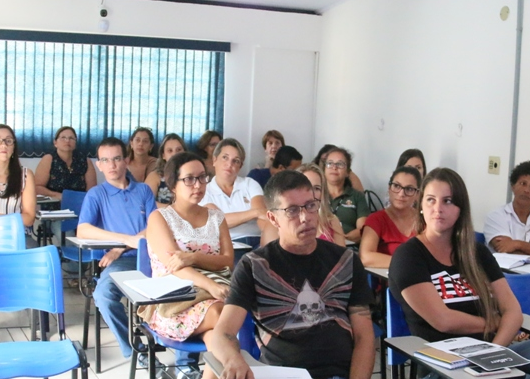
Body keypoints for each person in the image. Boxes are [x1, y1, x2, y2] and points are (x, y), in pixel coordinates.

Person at [210, 170, 375, 379]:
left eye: (310, 206)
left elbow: (364, 337)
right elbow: (222, 333)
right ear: (273, 218)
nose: (305, 217)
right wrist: (233, 359)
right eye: (292, 210)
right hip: (281, 374)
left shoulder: (346, 261)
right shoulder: (254, 266)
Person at [389, 168, 530, 375]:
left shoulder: (477, 252)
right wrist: (492, 323)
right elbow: (443, 321)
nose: (438, 208)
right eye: (430, 200)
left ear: (460, 208)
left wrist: (494, 354)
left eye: (447, 201)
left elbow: (513, 312)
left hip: (492, 352)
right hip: (445, 365)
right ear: (420, 206)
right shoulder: (409, 256)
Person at [146, 152, 233, 379]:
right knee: (224, 315)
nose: (198, 185)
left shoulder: (216, 217)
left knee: (219, 333)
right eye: (189, 179)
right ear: (173, 184)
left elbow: (227, 260)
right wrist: (211, 286)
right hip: (175, 301)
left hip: (217, 292)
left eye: (202, 177)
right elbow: (174, 266)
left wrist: (193, 257)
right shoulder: (159, 218)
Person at [77, 137, 159, 368]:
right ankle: (135, 350)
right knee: (103, 295)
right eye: (105, 160)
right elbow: (83, 229)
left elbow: (155, 226)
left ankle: (185, 360)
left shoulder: (143, 190)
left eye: (116, 158)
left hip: (151, 258)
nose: (111, 165)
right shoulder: (97, 194)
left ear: (125, 161)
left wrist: (119, 247)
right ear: (99, 165)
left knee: (185, 289)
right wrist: (124, 243)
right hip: (122, 262)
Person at [200, 138, 267, 248]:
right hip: (229, 244)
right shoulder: (204, 191)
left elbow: (262, 216)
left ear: (240, 166)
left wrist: (266, 241)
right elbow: (219, 222)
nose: (229, 164)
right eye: (225, 158)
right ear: (214, 160)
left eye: (235, 161)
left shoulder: (250, 184)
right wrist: (254, 213)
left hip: (257, 240)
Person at [260, 163, 346, 247]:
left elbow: (342, 258)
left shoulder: (331, 220)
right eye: (305, 187)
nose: (311, 193)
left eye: (316, 188)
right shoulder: (277, 222)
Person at [359, 166, 421, 268]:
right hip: (389, 280)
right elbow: (365, 257)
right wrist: (408, 263)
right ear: (389, 188)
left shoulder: (425, 220)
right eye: (396, 186)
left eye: (409, 189)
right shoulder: (376, 219)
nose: (401, 194)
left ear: (417, 194)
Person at [34, 126, 97, 199]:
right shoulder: (49, 159)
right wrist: (58, 195)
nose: (67, 141)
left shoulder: (85, 161)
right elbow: (37, 187)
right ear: (55, 142)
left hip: (79, 203)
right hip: (54, 203)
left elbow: (92, 191)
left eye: (71, 138)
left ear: (75, 143)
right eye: (63, 137)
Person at [0, 124, 37, 247]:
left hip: (18, 236)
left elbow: (29, 218)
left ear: (13, 147)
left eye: (8, 141)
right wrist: (12, 218)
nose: (3, 145)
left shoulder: (25, 175)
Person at [324, 147, 370, 243]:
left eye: (340, 164)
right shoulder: (316, 194)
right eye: (330, 163)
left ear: (348, 172)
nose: (334, 167)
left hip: (348, 245)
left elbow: (362, 229)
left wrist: (357, 233)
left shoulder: (357, 196)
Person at [484, 161, 530, 254]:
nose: (527, 190)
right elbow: (505, 251)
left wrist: (517, 244)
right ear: (513, 186)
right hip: (502, 269)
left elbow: (512, 247)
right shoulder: (496, 216)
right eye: (523, 183)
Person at [145, 133, 187, 208]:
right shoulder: (155, 176)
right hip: (161, 217)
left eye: (179, 150)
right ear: (163, 155)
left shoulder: (193, 175)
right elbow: (146, 202)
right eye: (170, 151)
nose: (175, 154)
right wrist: (173, 210)